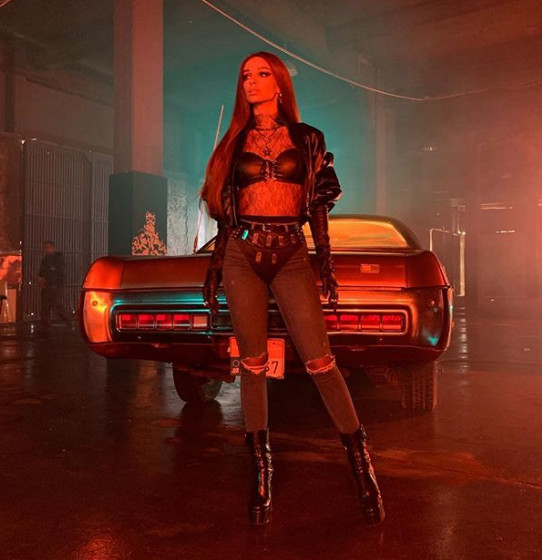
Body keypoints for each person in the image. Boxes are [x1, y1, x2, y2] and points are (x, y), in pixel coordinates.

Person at [200, 51, 384, 526]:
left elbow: (319, 204)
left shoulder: (307, 138)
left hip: (290, 254)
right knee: (252, 365)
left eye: (262, 74)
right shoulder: (233, 142)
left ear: (279, 83)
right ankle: (261, 474)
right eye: (245, 75)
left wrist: (327, 263)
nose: (252, 82)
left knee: (321, 362)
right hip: (242, 255)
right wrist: (215, 266)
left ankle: (362, 466)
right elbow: (225, 212)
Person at [37, 241, 70, 330]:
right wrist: (40, 278)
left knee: (57, 305)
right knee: (45, 306)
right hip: (46, 286)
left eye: (48, 247)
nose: (46, 250)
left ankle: (68, 319)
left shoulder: (58, 258)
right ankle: (45, 324)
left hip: (55, 286)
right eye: (45, 248)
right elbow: (42, 270)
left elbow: (58, 273)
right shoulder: (45, 259)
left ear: (53, 248)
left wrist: (55, 284)